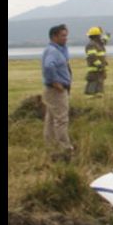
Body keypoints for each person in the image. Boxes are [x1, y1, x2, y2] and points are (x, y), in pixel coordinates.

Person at [41, 24, 74, 160]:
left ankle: (51, 146)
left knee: (51, 119)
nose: (66, 38)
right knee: (61, 119)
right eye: (63, 35)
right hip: (56, 91)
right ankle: (65, 148)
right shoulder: (53, 51)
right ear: (54, 36)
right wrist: (56, 83)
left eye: (66, 35)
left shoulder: (59, 50)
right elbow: (48, 67)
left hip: (54, 90)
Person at [84, 26, 109, 98]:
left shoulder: (98, 44)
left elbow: (104, 41)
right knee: (92, 85)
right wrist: (99, 65)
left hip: (99, 71)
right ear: (96, 36)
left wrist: (107, 36)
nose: (101, 36)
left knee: (99, 86)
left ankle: (98, 99)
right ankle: (90, 99)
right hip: (94, 71)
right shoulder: (91, 45)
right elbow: (92, 57)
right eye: (100, 35)